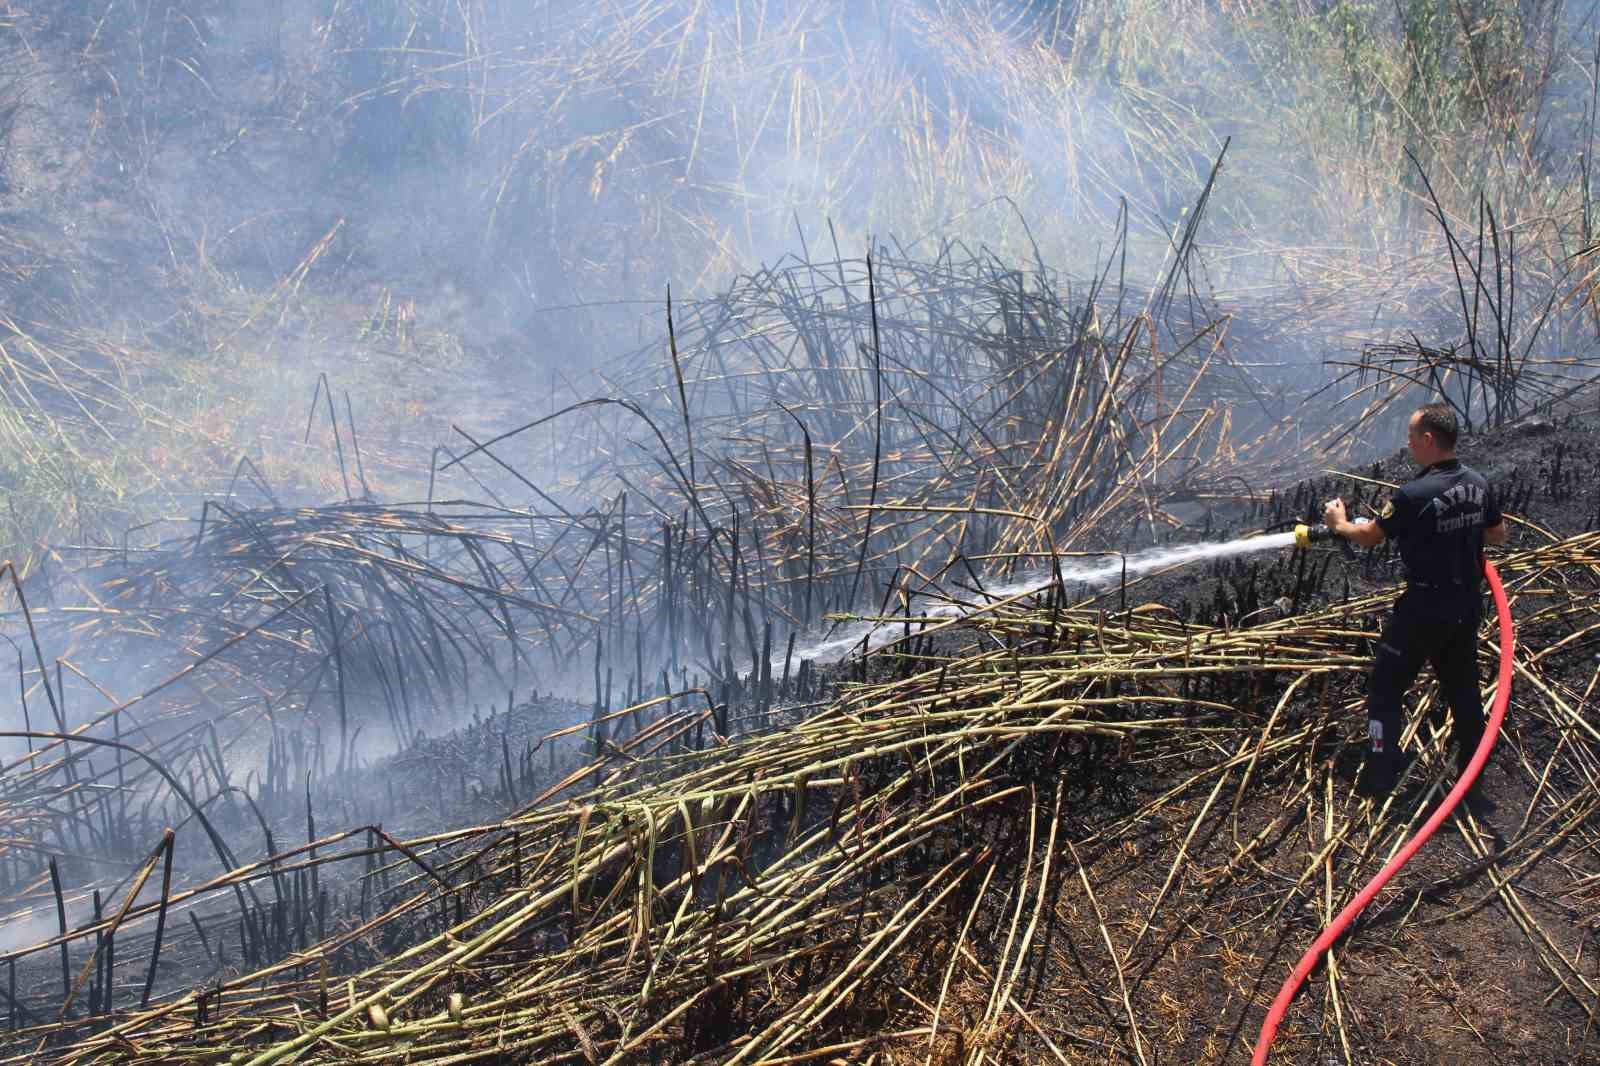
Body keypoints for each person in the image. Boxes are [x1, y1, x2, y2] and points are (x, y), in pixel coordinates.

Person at [1321, 402, 1507, 798]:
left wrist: (1339, 524)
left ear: (1428, 439)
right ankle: (1471, 775)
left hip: (1422, 610)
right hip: (1466, 605)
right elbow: (1497, 533)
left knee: (1386, 687)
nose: (1407, 445)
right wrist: (1460, 535)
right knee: (1462, 688)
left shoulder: (1412, 494)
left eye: (1410, 437)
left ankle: (1379, 770)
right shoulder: (1478, 482)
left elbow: (1371, 536)